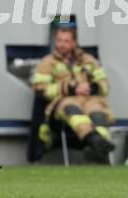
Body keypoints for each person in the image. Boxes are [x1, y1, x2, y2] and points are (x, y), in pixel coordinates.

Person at [32, 27, 115, 163]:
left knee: (99, 114)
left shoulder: (88, 60)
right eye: (59, 40)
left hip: (90, 98)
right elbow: (41, 90)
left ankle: (98, 152)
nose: (61, 44)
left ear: (74, 42)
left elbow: (105, 86)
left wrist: (92, 87)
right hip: (63, 101)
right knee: (72, 110)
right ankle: (95, 142)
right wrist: (71, 88)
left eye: (66, 41)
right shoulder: (47, 62)